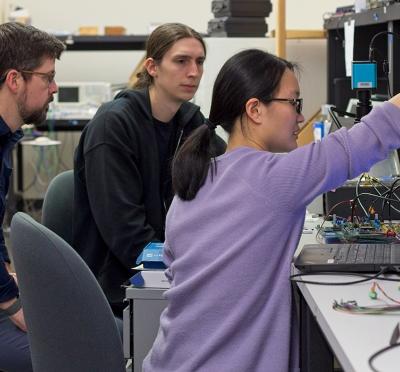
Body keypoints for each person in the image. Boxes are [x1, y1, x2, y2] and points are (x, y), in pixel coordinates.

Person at [143, 49, 400, 372]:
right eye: (294, 103)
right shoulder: (272, 177)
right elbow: (367, 139)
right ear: (255, 110)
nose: (301, 117)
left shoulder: (196, 180)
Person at [73, 23, 225, 315]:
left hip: (164, 268)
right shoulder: (113, 126)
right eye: (181, 61)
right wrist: (185, 271)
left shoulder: (189, 121)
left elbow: (231, 171)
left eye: (199, 62)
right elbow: (126, 233)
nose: (194, 72)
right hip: (118, 287)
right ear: (153, 67)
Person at [0, 22, 64, 371]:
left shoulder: (5, 140)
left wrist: (8, 273)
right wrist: (11, 304)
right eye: (47, 77)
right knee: (65, 354)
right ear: (15, 80)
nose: (54, 88)